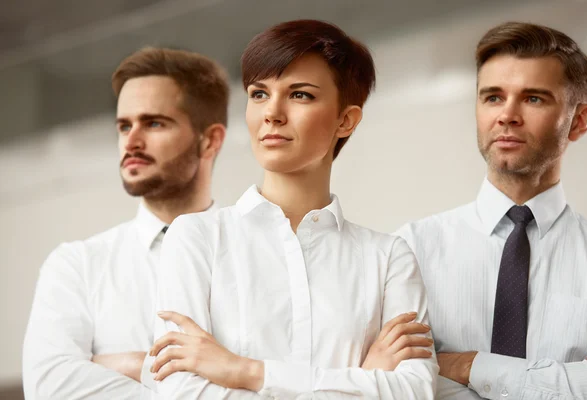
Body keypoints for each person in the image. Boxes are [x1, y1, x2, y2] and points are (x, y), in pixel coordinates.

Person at [146, 19, 438, 399]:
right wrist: (362, 381)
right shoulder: (195, 238)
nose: (272, 113)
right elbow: (179, 393)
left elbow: (414, 392)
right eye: (259, 94)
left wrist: (245, 372)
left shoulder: (387, 258)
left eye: (300, 95)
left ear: (345, 120)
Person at [395, 22, 587, 399]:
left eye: (533, 98)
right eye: (492, 97)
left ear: (579, 121)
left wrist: (468, 364)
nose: (507, 115)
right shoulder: (408, 250)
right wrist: (569, 381)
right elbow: (399, 384)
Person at [22, 47, 229, 399]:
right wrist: (175, 372)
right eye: (123, 126)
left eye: (154, 123)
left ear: (209, 140)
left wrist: (116, 364)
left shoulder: (260, 253)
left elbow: (276, 377)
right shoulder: (77, 266)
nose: (131, 142)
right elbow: (49, 387)